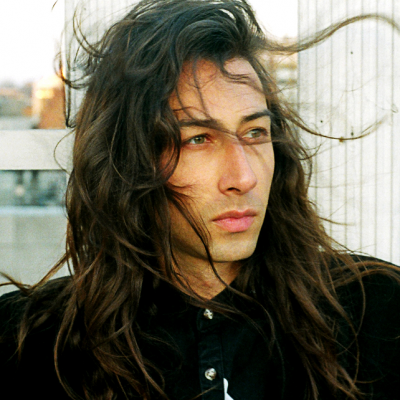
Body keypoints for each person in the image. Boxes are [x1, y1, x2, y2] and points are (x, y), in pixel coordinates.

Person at [1, 0, 399, 399]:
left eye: (255, 133)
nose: (243, 177)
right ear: (129, 161)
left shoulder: (377, 313)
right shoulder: (34, 344)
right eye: (197, 139)